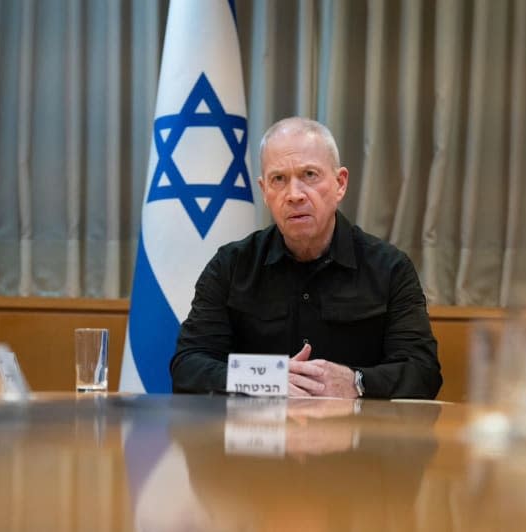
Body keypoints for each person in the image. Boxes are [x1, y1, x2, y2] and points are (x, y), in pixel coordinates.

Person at [170, 117, 442, 399]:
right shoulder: (231, 265)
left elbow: (423, 372)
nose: (294, 195)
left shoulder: (390, 268)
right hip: (257, 439)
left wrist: (356, 382)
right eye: (279, 179)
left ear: (340, 184)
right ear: (264, 191)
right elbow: (188, 366)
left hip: (357, 437)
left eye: (309, 175)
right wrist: (266, 378)